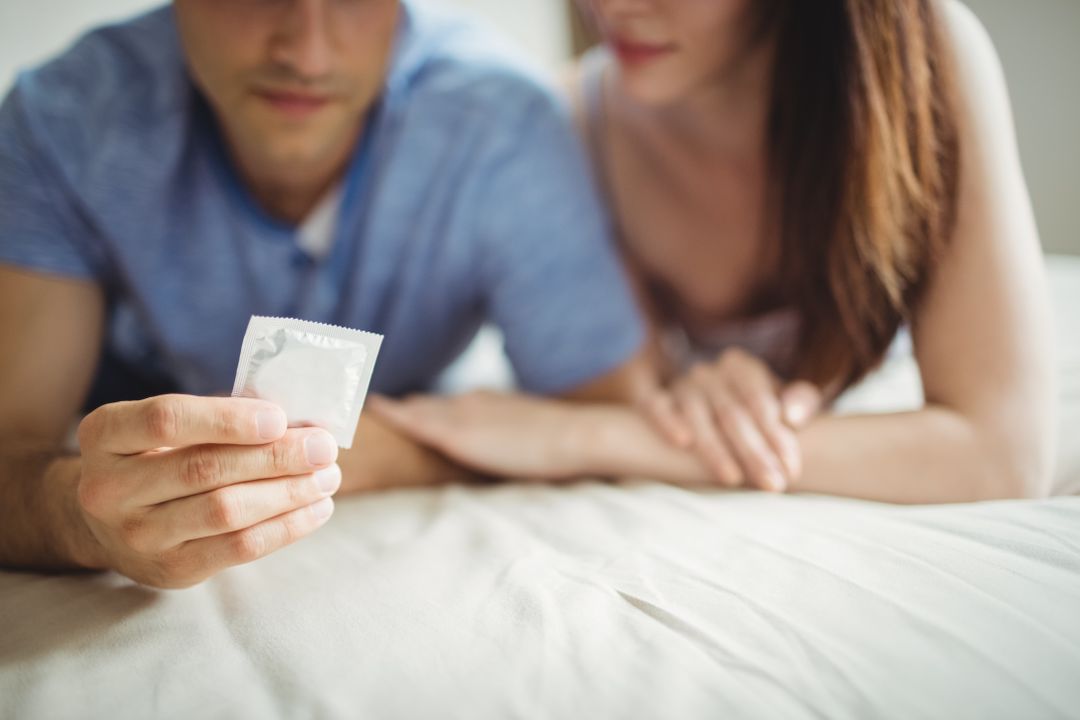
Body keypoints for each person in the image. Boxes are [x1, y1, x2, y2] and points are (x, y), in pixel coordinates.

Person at [0, 0, 654, 587]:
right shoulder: (61, 122)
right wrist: (81, 517)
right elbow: (10, 453)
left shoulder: (500, 124)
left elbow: (607, 420)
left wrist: (375, 453)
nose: (307, 54)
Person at [372, 0, 1058, 504]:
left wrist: (590, 438)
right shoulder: (565, 127)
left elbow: (1004, 455)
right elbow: (625, 392)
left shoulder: (925, 56)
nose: (614, 7)